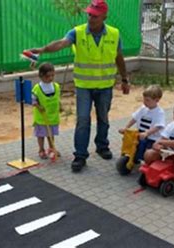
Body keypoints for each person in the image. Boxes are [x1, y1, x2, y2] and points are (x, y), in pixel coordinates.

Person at [28, 0, 130, 172]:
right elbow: (61, 43)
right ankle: (80, 155)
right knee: (83, 120)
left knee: (103, 118)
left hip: (105, 86)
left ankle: (102, 146)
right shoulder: (78, 32)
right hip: (84, 86)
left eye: (95, 15)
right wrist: (43, 49)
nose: (91, 18)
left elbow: (118, 57)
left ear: (105, 16)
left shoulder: (114, 34)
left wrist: (125, 79)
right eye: (89, 14)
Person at [118, 85, 165, 163]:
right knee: (130, 140)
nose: (144, 102)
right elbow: (134, 118)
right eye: (144, 99)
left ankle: (143, 160)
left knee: (145, 147)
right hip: (140, 134)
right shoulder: (143, 109)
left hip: (152, 138)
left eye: (147, 100)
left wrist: (147, 133)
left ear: (156, 100)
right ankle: (131, 156)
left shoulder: (159, 112)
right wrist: (126, 128)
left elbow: (158, 126)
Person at [31, 63, 61, 159]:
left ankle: (52, 148)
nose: (50, 78)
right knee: (41, 135)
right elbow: (32, 100)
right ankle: (41, 149)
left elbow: (57, 98)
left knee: (51, 134)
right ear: (41, 76)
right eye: (48, 76)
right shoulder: (37, 88)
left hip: (52, 117)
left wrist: (60, 106)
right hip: (41, 117)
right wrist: (39, 106)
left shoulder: (56, 86)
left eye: (52, 75)